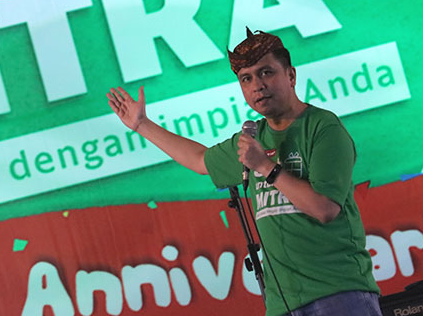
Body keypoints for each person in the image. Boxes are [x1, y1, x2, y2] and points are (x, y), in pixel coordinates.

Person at [107, 29, 381, 316]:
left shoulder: (323, 127)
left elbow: (324, 208)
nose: (257, 86)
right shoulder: (253, 139)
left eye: (266, 73)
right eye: (246, 79)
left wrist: (266, 167)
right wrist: (142, 125)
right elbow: (199, 160)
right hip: (283, 304)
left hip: (338, 294)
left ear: (291, 75)